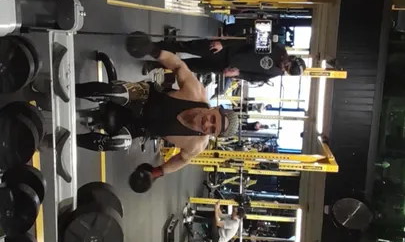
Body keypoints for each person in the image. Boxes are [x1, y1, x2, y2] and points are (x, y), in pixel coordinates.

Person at [75, 36, 240, 176]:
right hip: (144, 97)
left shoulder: (196, 144)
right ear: (214, 109)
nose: (207, 123)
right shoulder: (196, 93)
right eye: (213, 119)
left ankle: (72, 140)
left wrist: (156, 173)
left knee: (118, 144)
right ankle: (73, 90)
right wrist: (153, 50)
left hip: (139, 127)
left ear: (213, 135)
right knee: (119, 93)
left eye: (212, 129)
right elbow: (179, 66)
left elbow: (181, 160)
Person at [137, 37, 306, 83]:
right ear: (290, 58)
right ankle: (153, 46)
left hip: (224, 66)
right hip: (225, 50)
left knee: (187, 67)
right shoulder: (277, 48)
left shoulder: (276, 72)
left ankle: (154, 64)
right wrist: (224, 43)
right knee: (187, 47)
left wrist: (238, 74)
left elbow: (254, 77)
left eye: (286, 71)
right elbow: (249, 40)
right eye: (287, 66)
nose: (283, 69)